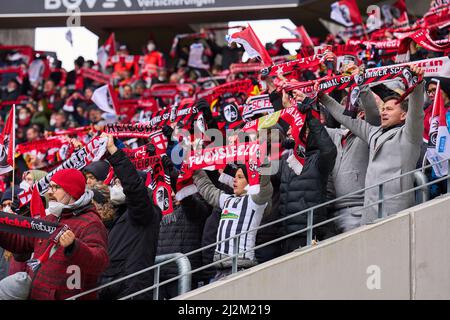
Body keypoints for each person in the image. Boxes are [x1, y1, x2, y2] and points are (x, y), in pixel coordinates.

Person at [319, 65, 425, 224]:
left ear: (404, 115)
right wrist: (322, 97)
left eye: (389, 109)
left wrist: (417, 85)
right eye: (383, 108)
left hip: (397, 212)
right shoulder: (373, 132)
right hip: (369, 214)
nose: (383, 112)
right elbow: (345, 118)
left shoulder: (409, 135)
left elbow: (416, 112)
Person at [0, 168, 109, 300]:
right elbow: (21, 241)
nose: (49, 192)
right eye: (49, 187)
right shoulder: (51, 217)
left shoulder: (90, 223)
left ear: (71, 191)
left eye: (55, 187)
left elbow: (100, 262)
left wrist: (74, 246)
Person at [98, 133, 162, 300]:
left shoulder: (144, 212)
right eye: (115, 182)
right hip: (111, 286)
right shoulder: (118, 215)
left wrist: (114, 152)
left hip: (131, 290)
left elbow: (133, 186)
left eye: (119, 182)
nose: (115, 186)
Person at [193, 163, 273, 280]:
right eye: (235, 177)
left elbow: (265, 186)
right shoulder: (227, 199)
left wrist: (264, 162)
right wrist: (194, 168)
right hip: (219, 270)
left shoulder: (255, 201)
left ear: (251, 181)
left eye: (240, 177)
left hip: (240, 269)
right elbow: (207, 188)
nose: (235, 180)